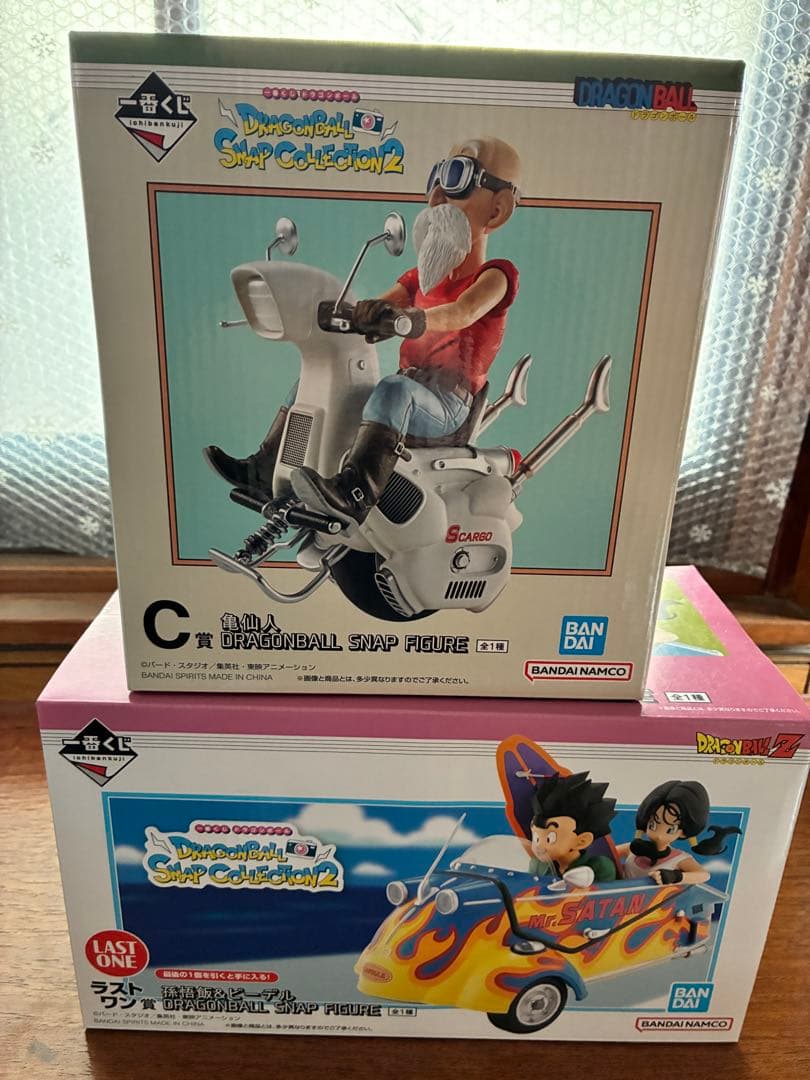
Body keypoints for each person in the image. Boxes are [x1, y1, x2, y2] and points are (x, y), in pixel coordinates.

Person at [616, 780, 741, 885]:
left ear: (683, 832)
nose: (659, 835)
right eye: (652, 825)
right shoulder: (632, 849)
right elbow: (609, 852)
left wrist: (676, 876)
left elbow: (703, 875)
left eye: (670, 829)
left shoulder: (678, 858)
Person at [525, 771, 618, 884]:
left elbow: (602, 893)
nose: (538, 846)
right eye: (536, 838)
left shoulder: (598, 867)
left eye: (550, 839)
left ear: (582, 841)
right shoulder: (538, 865)